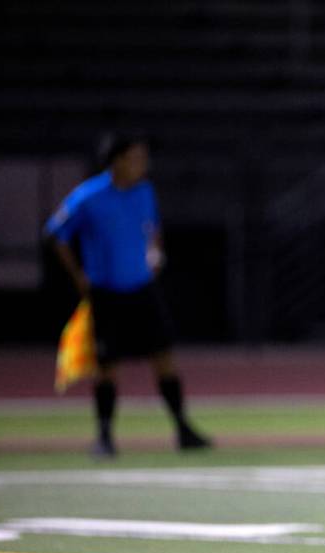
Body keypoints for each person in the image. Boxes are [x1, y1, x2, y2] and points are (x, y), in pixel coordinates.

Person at [44, 132, 212, 458]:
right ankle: (105, 436)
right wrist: (78, 275)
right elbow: (55, 233)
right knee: (107, 364)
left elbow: (153, 229)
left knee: (164, 357)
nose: (142, 165)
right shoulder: (88, 197)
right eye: (136, 158)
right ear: (117, 161)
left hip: (142, 289)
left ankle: (182, 428)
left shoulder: (144, 192)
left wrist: (155, 253)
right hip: (106, 292)